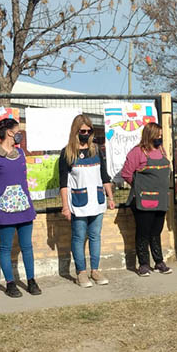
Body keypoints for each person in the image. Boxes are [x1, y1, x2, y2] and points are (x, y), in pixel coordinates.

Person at [0, 118, 40, 298]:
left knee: (27, 246)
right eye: (17, 130)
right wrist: (1, 197)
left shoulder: (21, 153)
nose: (19, 133)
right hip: (5, 211)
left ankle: (31, 281)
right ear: (9, 132)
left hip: (24, 208)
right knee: (5, 247)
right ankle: (10, 283)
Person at [59, 114, 115, 287]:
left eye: (88, 130)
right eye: (82, 130)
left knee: (95, 236)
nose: (85, 133)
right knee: (78, 236)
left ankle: (95, 270)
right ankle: (81, 273)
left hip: (97, 201)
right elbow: (63, 183)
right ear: (76, 131)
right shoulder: (67, 153)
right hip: (79, 202)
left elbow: (104, 175)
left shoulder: (96, 150)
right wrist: (65, 206)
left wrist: (110, 197)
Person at [120, 122, 172, 277]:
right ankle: (143, 264)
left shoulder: (161, 151)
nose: (160, 138)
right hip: (143, 200)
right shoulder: (137, 152)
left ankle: (159, 262)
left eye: (161, 136)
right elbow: (126, 173)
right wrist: (139, 187)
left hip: (161, 200)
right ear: (150, 136)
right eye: (158, 135)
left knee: (156, 231)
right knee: (143, 232)